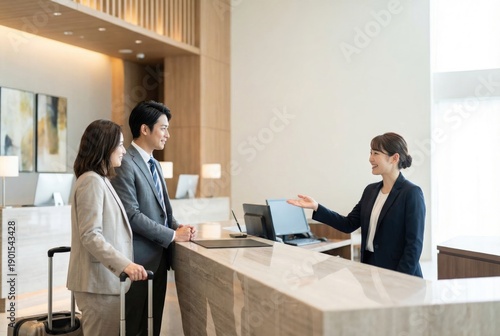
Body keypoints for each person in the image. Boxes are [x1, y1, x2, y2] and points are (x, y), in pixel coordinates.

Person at [111, 100, 196, 336]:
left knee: (152, 327)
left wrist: (179, 227)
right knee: (135, 327)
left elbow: (162, 212)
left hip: (158, 261)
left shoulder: (155, 164)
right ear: (145, 129)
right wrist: (172, 235)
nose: (168, 134)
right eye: (164, 128)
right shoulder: (125, 163)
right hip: (137, 262)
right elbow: (131, 215)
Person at [288, 132, 425, 277]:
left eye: (376, 153)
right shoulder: (370, 191)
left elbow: (414, 245)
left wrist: (400, 280)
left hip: (400, 275)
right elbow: (348, 224)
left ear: (394, 158)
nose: (370, 158)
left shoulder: (411, 193)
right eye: (370, 152)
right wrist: (316, 207)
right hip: (371, 271)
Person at [67, 119, 148, 335]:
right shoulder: (91, 181)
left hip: (105, 283)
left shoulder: (101, 180)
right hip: (97, 284)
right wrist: (125, 265)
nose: (123, 150)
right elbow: (91, 235)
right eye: (120, 145)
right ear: (105, 146)